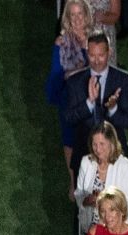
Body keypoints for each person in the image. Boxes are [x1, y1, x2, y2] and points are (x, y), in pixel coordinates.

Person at [61, 33, 128, 166]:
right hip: (84, 151)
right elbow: (69, 118)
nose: (96, 61)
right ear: (87, 53)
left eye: (101, 55)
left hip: (114, 153)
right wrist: (89, 103)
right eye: (92, 55)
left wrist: (113, 109)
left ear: (109, 53)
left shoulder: (123, 80)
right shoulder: (75, 82)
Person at [46, 0, 96, 162]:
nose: (77, 19)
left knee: (92, 138)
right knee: (69, 140)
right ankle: (73, 180)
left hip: (92, 97)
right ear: (67, 17)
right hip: (69, 98)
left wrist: (76, 71)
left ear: (86, 15)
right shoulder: (62, 42)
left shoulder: (95, 40)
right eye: (72, 15)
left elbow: (100, 68)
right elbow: (57, 73)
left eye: (80, 13)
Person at [74, 123, 128, 235]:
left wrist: (104, 202)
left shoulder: (125, 166)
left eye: (102, 144)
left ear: (111, 143)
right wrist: (88, 200)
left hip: (115, 229)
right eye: (94, 144)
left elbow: (127, 201)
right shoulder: (86, 162)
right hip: (90, 226)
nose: (98, 149)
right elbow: (78, 195)